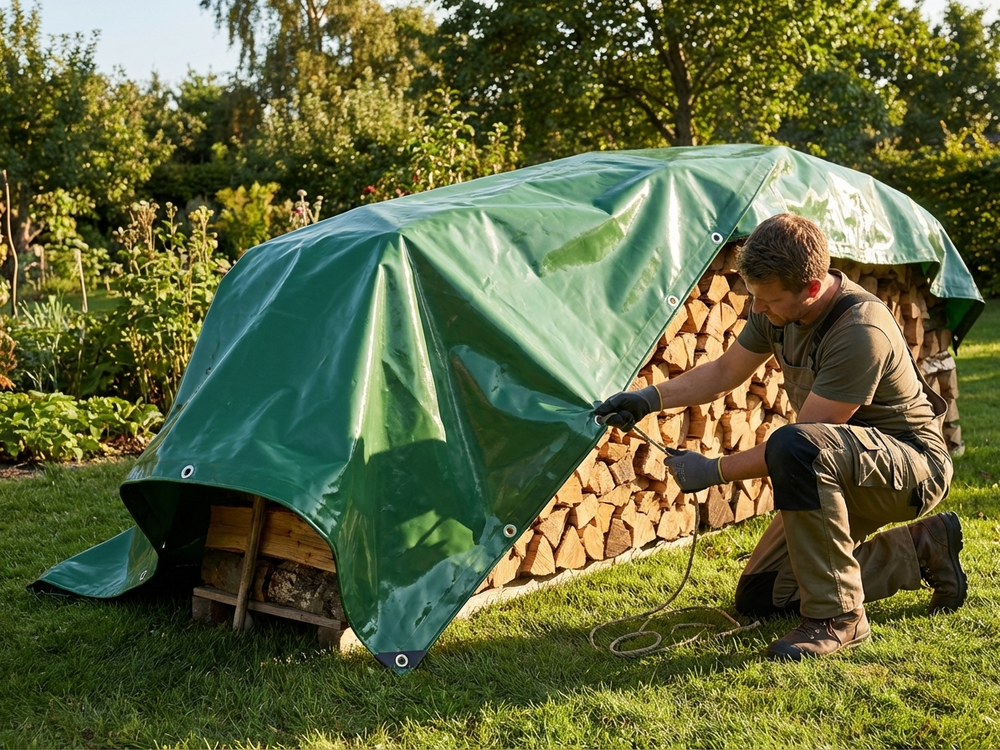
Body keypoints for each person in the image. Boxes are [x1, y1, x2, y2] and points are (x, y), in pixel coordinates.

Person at [594, 213, 967, 661]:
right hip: (846, 463)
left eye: (767, 300)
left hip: (911, 470)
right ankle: (924, 546)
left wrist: (711, 471)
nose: (757, 310)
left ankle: (839, 618)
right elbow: (725, 371)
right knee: (763, 595)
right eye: (754, 297)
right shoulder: (775, 307)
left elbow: (808, 442)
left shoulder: (859, 330)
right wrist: (648, 398)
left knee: (797, 445)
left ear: (811, 287)